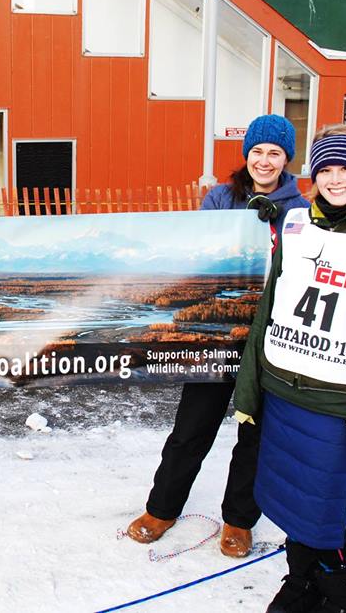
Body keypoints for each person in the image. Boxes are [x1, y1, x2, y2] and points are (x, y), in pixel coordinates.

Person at [232, 124, 346, 612]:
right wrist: (249, 396)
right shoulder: (298, 227)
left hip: (337, 403)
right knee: (289, 502)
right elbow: (268, 311)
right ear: (314, 175)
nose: (336, 179)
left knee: (324, 509)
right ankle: (301, 581)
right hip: (282, 393)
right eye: (326, 169)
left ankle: (341, 592)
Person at [126, 114, 309, 558]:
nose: (264, 161)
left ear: (286, 159)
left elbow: (305, 270)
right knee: (192, 427)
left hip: (270, 341)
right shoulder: (221, 198)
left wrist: (274, 234)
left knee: (255, 434)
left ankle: (239, 521)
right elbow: (201, 257)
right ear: (246, 154)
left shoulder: (301, 210)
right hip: (218, 339)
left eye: (275, 153)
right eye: (258, 152)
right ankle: (162, 509)